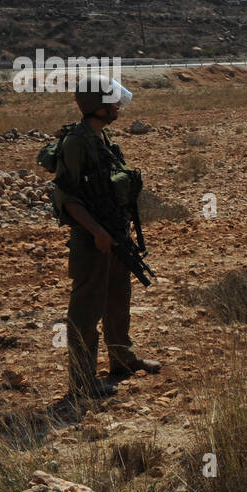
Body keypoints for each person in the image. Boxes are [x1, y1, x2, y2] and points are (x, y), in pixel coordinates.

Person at [52, 76, 160, 401]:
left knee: (117, 300)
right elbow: (66, 196)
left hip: (113, 236)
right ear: (97, 107)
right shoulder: (75, 143)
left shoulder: (104, 139)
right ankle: (83, 383)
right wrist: (97, 232)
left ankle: (121, 359)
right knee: (86, 311)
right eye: (112, 101)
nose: (118, 107)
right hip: (91, 240)